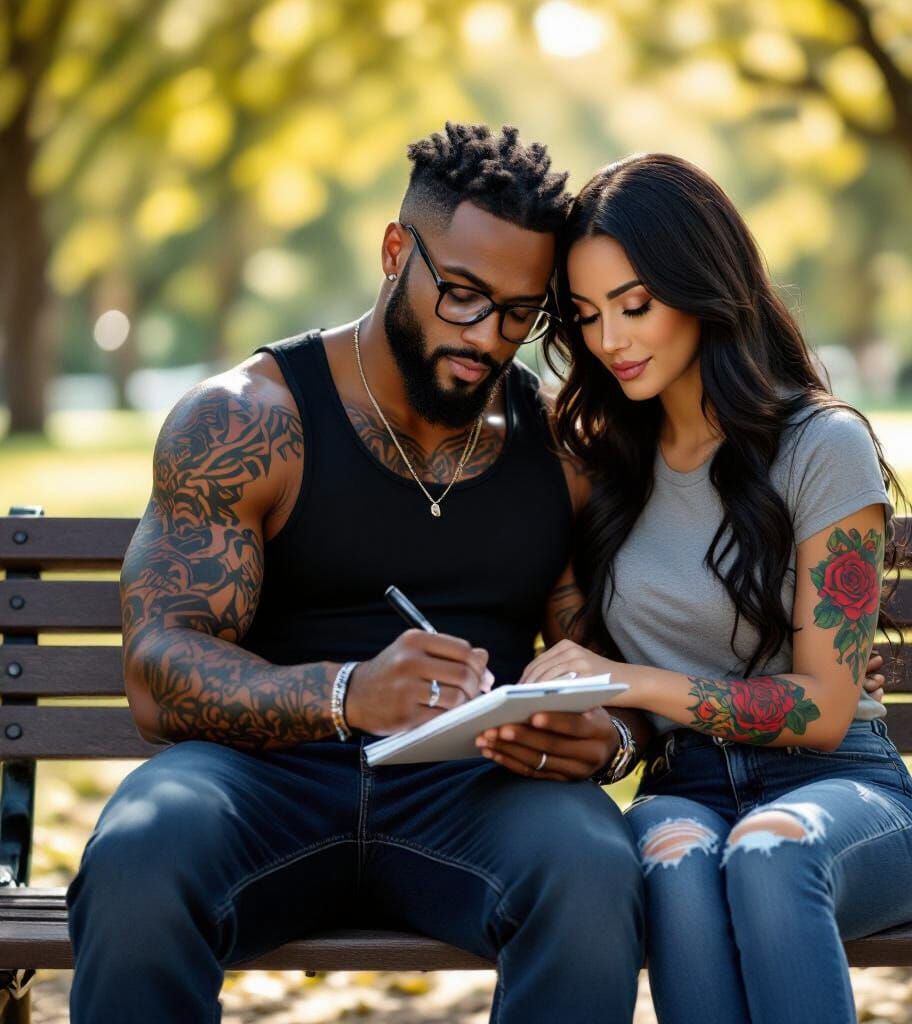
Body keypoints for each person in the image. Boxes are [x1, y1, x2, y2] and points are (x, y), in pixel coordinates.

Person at [66, 123, 649, 1024]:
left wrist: (604, 736)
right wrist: (347, 693)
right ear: (393, 251)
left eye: (517, 314)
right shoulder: (245, 421)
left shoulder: (561, 449)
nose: (486, 337)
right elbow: (158, 669)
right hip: (261, 782)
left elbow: (610, 664)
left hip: (475, 791)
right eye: (461, 294)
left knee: (595, 869)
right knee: (141, 852)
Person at [479, 153, 912, 1024]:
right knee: (678, 863)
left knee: (766, 852)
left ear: (702, 285)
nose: (610, 339)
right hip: (682, 789)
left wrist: (633, 682)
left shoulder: (819, 445)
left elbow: (825, 710)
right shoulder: (603, 462)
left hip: (843, 792)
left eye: (635, 305)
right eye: (585, 316)